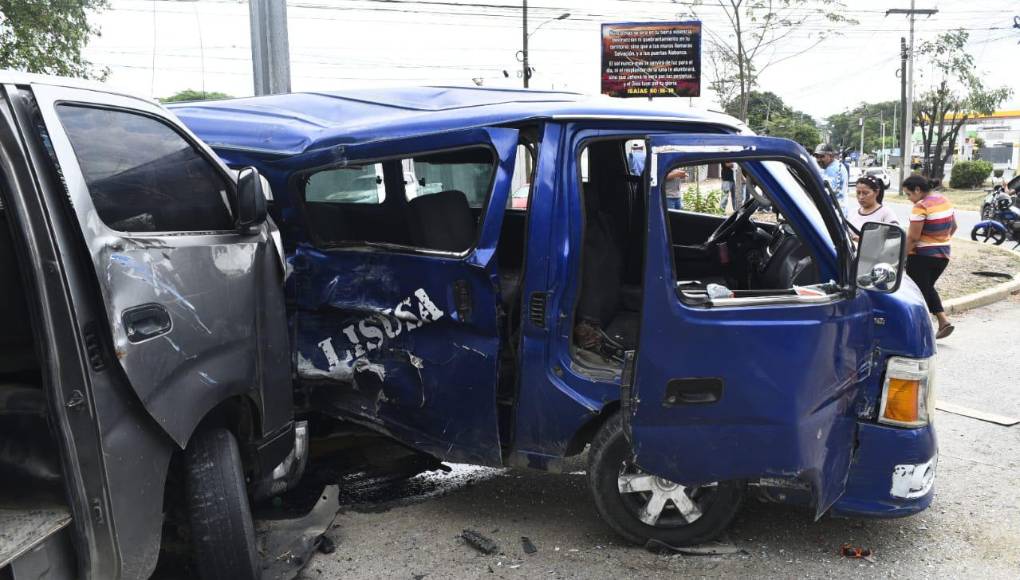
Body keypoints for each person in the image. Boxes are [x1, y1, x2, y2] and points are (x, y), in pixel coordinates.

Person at [903, 174, 957, 339]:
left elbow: (913, 238)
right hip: (943, 256)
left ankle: (920, 331)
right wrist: (939, 241)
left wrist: (900, 257)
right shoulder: (944, 201)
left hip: (921, 257)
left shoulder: (920, 206)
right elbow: (954, 227)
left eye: (908, 194)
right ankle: (943, 322)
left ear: (917, 190)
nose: (909, 198)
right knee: (925, 288)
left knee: (917, 293)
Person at [847, 174, 899, 239]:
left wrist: (863, 240)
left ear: (876, 192)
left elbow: (895, 237)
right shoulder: (853, 212)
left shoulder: (886, 213)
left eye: (865, 193)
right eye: (858, 193)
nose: (861, 197)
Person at [813, 143, 848, 214]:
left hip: (835, 211)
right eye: (817, 157)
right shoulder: (836, 165)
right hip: (839, 209)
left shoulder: (832, 169)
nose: (819, 160)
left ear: (831, 156)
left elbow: (826, 193)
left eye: (822, 156)